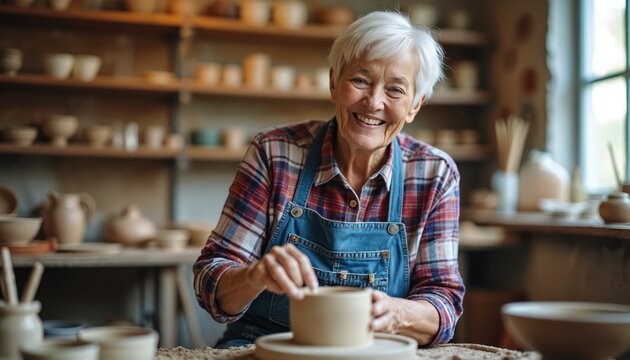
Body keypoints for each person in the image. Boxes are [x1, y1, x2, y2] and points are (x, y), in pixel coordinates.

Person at [193, 10, 465, 348]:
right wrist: (255, 275)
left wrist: (398, 314)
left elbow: (444, 303)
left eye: (395, 89)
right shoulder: (275, 152)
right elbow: (210, 283)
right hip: (269, 344)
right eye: (360, 80)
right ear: (334, 82)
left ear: (414, 105)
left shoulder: (434, 174)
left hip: (376, 349)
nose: (374, 102)